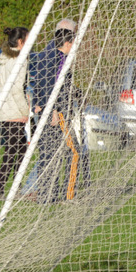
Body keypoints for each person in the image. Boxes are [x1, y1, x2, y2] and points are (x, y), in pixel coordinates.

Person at [33, 26, 83, 203]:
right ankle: (67, 195)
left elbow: (40, 82)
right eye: (74, 43)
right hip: (56, 113)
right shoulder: (56, 58)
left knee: (49, 154)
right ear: (68, 43)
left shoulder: (51, 56)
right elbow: (47, 84)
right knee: (73, 151)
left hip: (51, 110)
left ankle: (48, 195)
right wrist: (52, 109)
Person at [0, 26, 31, 201]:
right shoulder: (19, 61)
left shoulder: (5, 58)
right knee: (12, 150)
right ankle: (0, 191)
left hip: (4, 109)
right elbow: (15, 89)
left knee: (20, 148)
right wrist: (25, 110)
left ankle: (14, 189)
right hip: (14, 111)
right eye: (28, 39)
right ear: (20, 42)